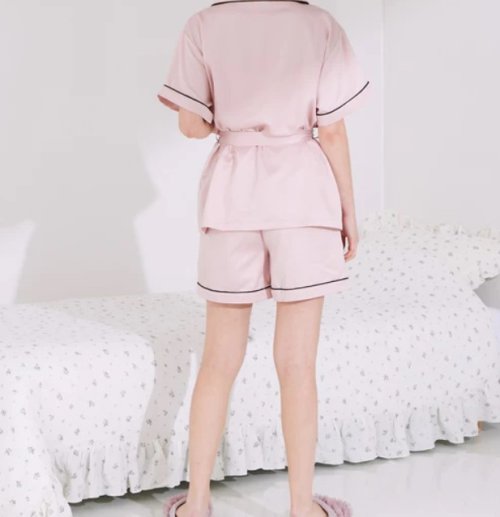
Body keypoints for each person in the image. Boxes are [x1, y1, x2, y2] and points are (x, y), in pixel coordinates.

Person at [157, 1, 371, 516]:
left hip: (232, 195)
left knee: (217, 360)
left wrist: (228, 116)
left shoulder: (204, 24)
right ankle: (302, 508)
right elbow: (332, 130)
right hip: (303, 195)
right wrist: (348, 210)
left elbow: (191, 125)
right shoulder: (319, 24)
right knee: (297, 363)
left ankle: (197, 504)